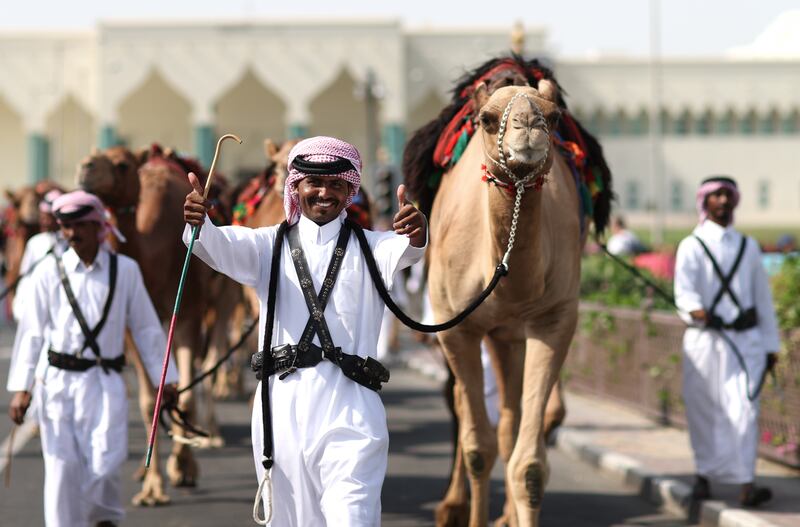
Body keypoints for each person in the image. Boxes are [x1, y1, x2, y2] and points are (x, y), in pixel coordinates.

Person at [183, 136, 427, 526]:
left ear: (351, 189)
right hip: (282, 409)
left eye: (335, 184)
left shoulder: (373, 248)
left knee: (354, 517)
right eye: (313, 182)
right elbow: (216, 246)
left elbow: (410, 249)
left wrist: (416, 232)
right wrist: (200, 222)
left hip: (353, 411)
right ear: (295, 186)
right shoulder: (267, 245)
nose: (323, 192)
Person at [6, 190, 179, 527]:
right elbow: (32, 333)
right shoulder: (47, 272)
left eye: (80, 226)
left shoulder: (124, 270)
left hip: (106, 383)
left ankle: (102, 519)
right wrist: (22, 388)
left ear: (100, 226)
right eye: (66, 227)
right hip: (57, 384)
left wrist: (166, 378)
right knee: (62, 469)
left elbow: (146, 328)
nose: (72, 234)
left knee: (105, 465)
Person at [674, 175, 780, 508]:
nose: (722, 201)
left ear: (734, 201)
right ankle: (703, 477)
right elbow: (685, 295)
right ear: (704, 201)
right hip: (705, 343)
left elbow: (762, 300)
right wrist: (700, 313)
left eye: (727, 195)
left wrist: (770, 346)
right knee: (705, 410)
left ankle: (746, 484)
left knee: (745, 410)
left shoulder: (748, 246)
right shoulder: (691, 245)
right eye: (715, 195)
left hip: (745, 342)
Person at [12, 188, 65, 321]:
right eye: (43, 218)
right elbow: (26, 276)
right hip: (39, 307)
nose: (45, 222)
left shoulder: (70, 243)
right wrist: (20, 305)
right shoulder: (35, 243)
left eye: (49, 218)